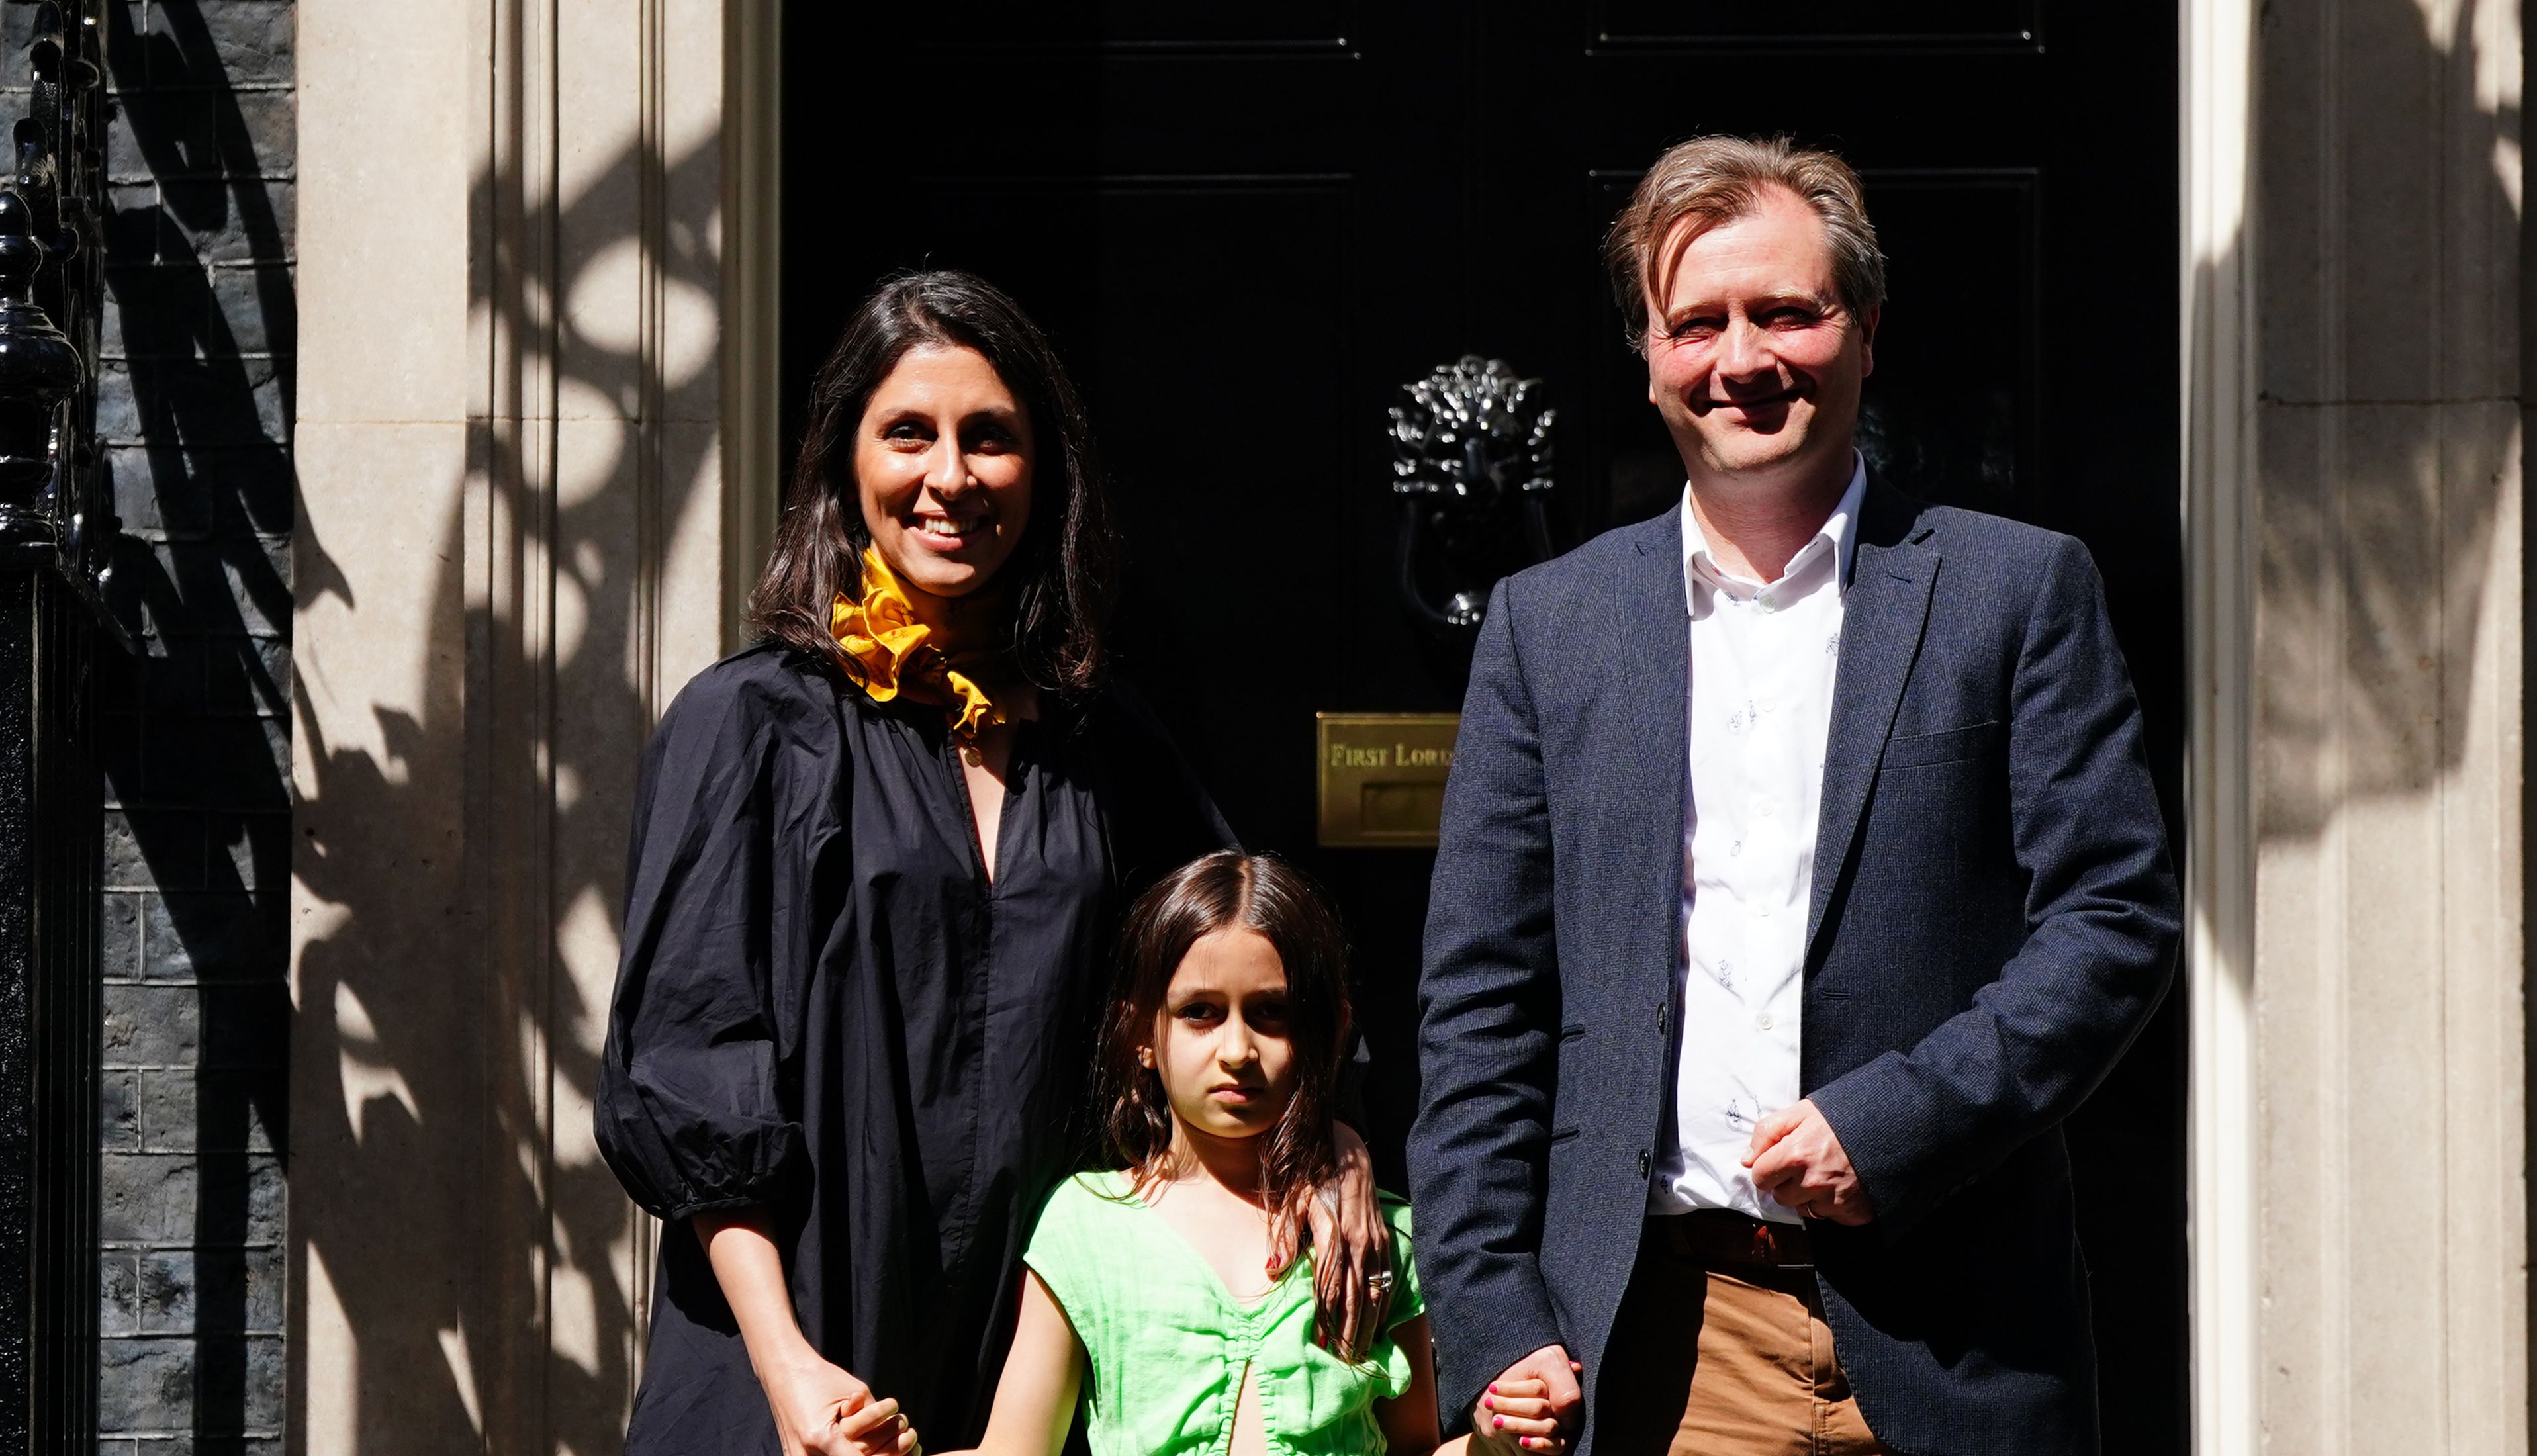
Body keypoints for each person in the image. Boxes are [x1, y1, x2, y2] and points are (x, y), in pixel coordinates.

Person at [1408, 136, 2182, 1456]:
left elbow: (2110, 922)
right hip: (1664, 1344)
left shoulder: (2011, 590)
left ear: (1864, 331)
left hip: (1958, 1340)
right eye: (1693, 323)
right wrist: (1493, 1306)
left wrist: (1894, 1122)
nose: (1739, 358)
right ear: (1648, 359)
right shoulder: (1551, 627)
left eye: (1784, 311)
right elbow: (1482, 998)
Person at [594, 271, 1395, 1456]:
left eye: (990, 438)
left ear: (1044, 473)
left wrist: (1330, 1144)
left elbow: (1247, 966)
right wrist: (787, 1363)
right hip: (800, 1353)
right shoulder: (746, 729)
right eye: (907, 433)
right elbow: (692, 1067)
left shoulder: (1104, 742)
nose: (949, 478)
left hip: (1040, 1353)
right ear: (842, 462)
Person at [948, 850, 1569, 1456]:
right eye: (1200, 1013)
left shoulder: (1379, 1235)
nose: (1238, 1049)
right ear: (1141, 1033)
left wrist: (1490, 1446)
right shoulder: (1083, 1225)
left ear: (1328, 1032)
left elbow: (1412, 1445)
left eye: (1271, 1013)